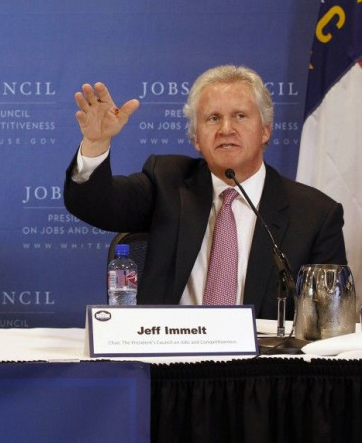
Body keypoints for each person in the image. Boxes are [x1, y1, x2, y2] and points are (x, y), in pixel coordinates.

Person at [64, 64, 346, 319]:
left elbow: (329, 320)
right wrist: (96, 143)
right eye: (213, 118)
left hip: (263, 369)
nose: (226, 129)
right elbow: (96, 204)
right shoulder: (167, 182)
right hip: (171, 364)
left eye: (240, 116)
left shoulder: (315, 215)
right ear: (196, 138)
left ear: (265, 131)